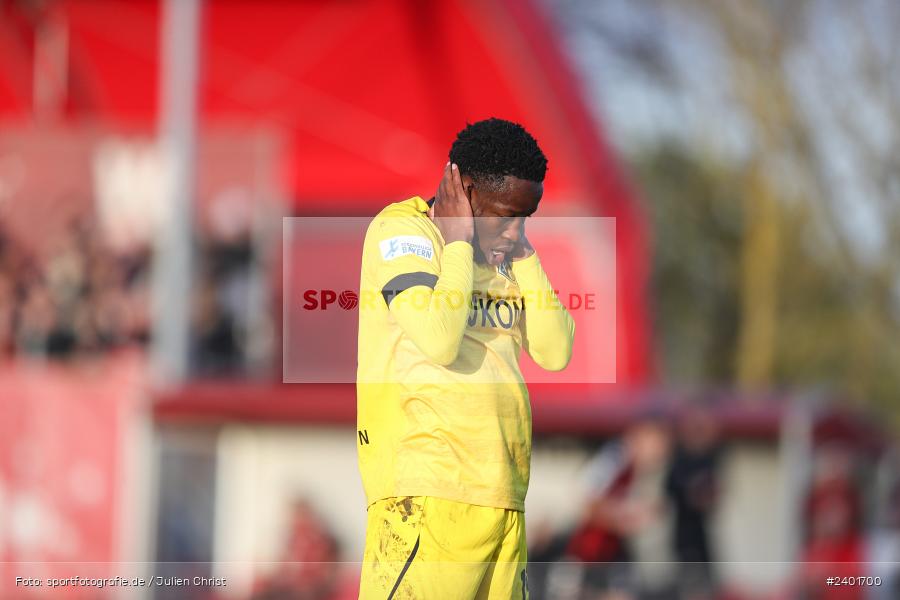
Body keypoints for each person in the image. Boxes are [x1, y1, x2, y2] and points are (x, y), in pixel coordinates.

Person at [356, 118, 575, 599]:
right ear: (465, 189)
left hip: (504, 496)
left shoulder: (506, 253)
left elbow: (556, 352)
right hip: (427, 496)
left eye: (526, 218)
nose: (515, 231)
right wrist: (457, 241)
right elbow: (438, 339)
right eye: (507, 216)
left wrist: (522, 253)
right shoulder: (403, 232)